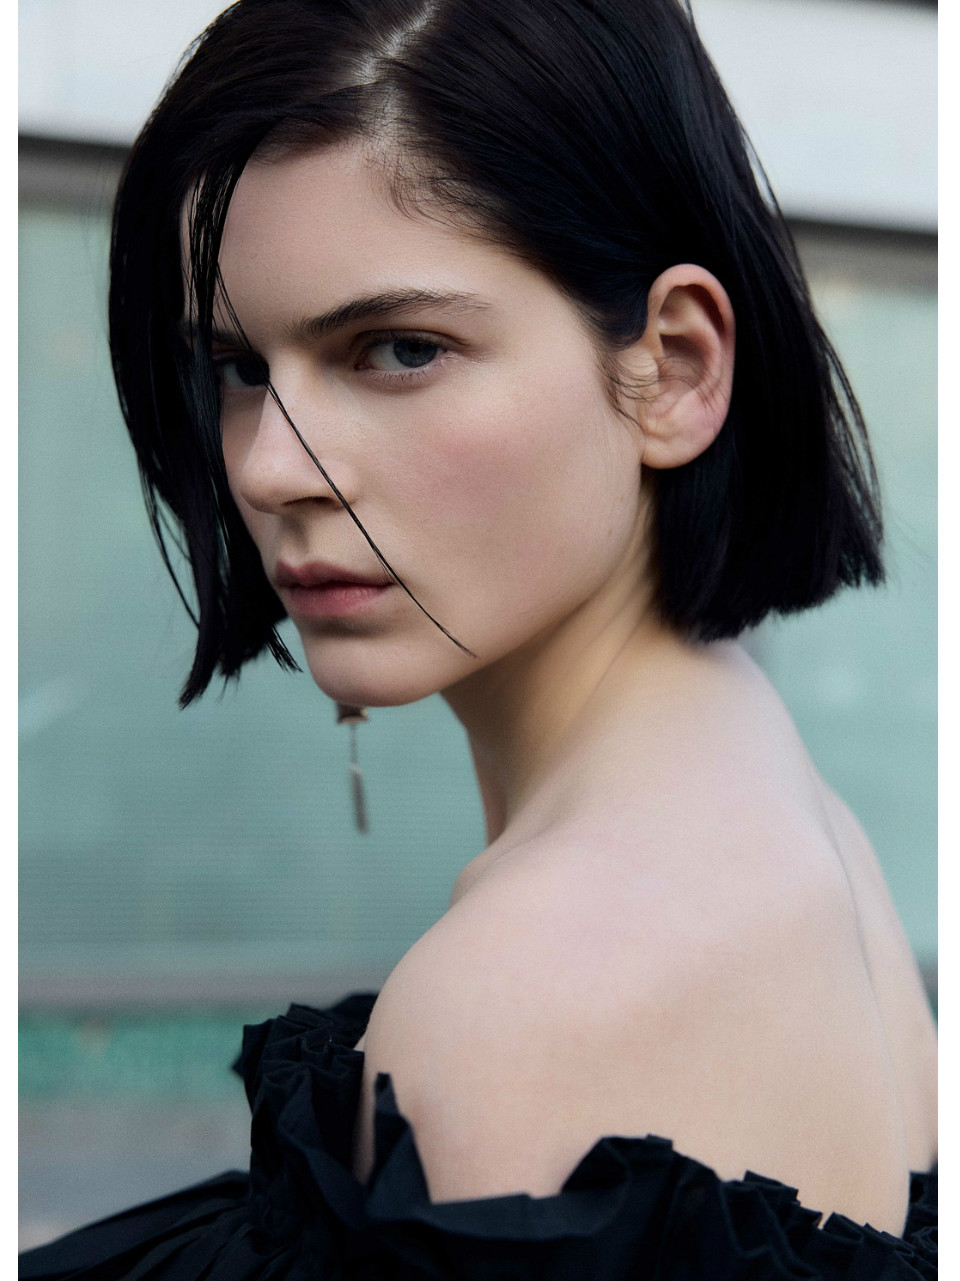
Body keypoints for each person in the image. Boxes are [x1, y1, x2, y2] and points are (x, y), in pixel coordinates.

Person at [20, 0, 937, 1276]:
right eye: (237, 369)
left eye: (399, 349)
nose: (272, 467)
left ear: (674, 369)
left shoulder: (530, 1000)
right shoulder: (779, 807)